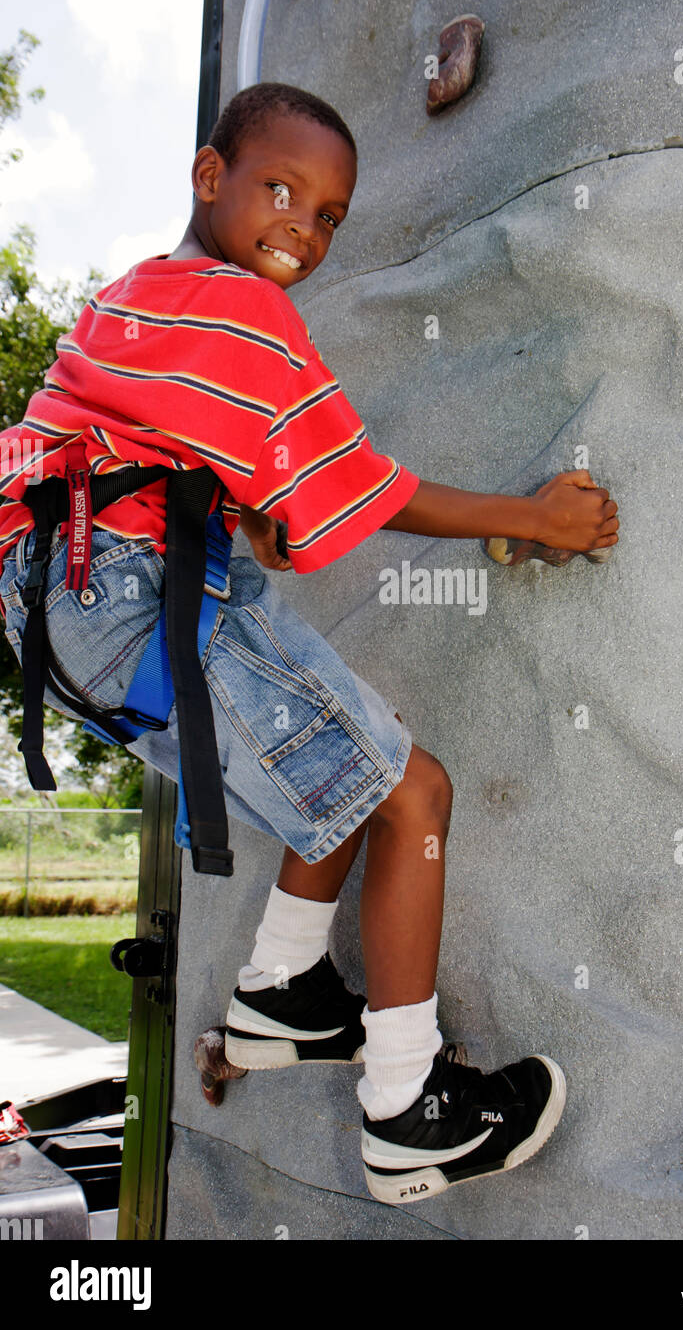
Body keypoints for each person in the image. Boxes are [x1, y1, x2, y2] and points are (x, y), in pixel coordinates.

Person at [0, 82, 619, 1204]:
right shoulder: (241, 312)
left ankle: (284, 991)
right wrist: (536, 516)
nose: (303, 228)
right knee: (412, 795)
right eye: (281, 190)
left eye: (329, 214)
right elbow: (362, 489)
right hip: (141, 602)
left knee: (340, 757)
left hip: (70, 614)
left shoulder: (135, 299)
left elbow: (238, 489)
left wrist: (255, 524)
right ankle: (405, 1109)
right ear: (208, 177)